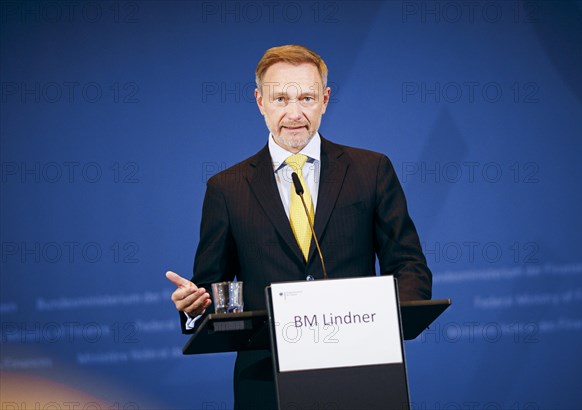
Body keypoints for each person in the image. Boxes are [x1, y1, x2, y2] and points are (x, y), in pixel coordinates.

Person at [166, 44, 432, 410]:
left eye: (306, 97)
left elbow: (408, 265)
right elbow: (213, 287)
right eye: (280, 99)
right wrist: (195, 307)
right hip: (266, 381)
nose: (294, 113)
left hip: (362, 373)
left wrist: (383, 325)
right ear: (260, 102)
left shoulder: (370, 170)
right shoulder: (226, 188)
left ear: (324, 99)